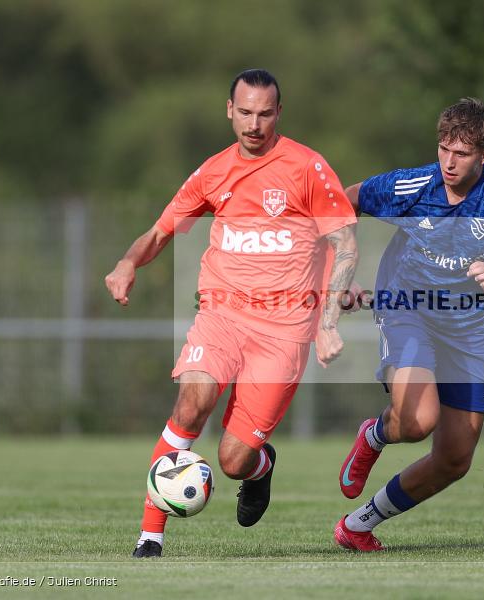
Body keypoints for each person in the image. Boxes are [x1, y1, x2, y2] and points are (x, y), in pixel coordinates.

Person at [105, 69, 358, 558]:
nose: (254, 124)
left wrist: (327, 324)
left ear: (278, 113)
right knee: (190, 406)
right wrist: (127, 262)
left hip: (285, 330)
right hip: (221, 315)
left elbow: (345, 245)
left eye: (265, 113)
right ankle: (150, 537)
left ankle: (259, 468)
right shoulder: (213, 171)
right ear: (229, 110)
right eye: (245, 112)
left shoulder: (307, 168)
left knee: (233, 459)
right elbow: (160, 231)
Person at [333, 97, 484, 551]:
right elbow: (341, 203)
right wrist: (340, 275)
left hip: (467, 327)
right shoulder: (411, 185)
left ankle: (357, 524)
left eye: (463, 154)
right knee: (417, 421)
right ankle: (375, 434)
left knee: (454, 459)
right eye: (444, 149)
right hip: (407, 306)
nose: (450, 163)